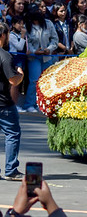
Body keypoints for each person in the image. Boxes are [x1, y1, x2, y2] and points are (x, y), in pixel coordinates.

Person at [20, 10, 57, 112]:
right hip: (34, 57)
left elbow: (54, 39)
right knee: (34, 80)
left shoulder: (48, 24)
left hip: (47, 56)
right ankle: (29, 104)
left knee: (45, 81)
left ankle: (42, 103)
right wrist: (34, 51)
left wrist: (49, 49)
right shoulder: (27, 26)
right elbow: (28, 42)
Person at [0, 23, 23, 180]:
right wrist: (20, 74)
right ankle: (11, 169)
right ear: (3, 35)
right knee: (12, 133)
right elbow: (13, 80)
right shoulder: (5, 56)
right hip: (3, 103)